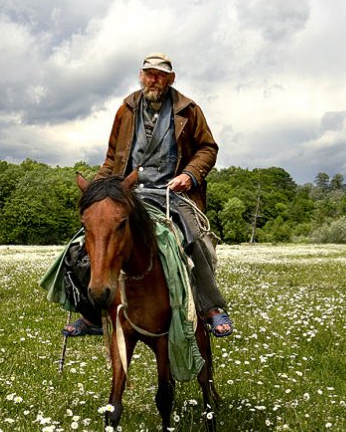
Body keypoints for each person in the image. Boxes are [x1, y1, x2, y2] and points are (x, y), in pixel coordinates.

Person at [63, 52, 233, 338]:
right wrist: (97, 188)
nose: (154, 79)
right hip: (129, 194)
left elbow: (208, 149)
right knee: (82, 245)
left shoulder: (188, 110)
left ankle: (212, 308)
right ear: (141, 76)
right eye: (149, 73)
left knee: (193, 238)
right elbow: (111, 159)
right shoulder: (126, 110)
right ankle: (92, 315)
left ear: (171, 78)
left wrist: (188, 175)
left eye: (160, 74)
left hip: (171, 193)